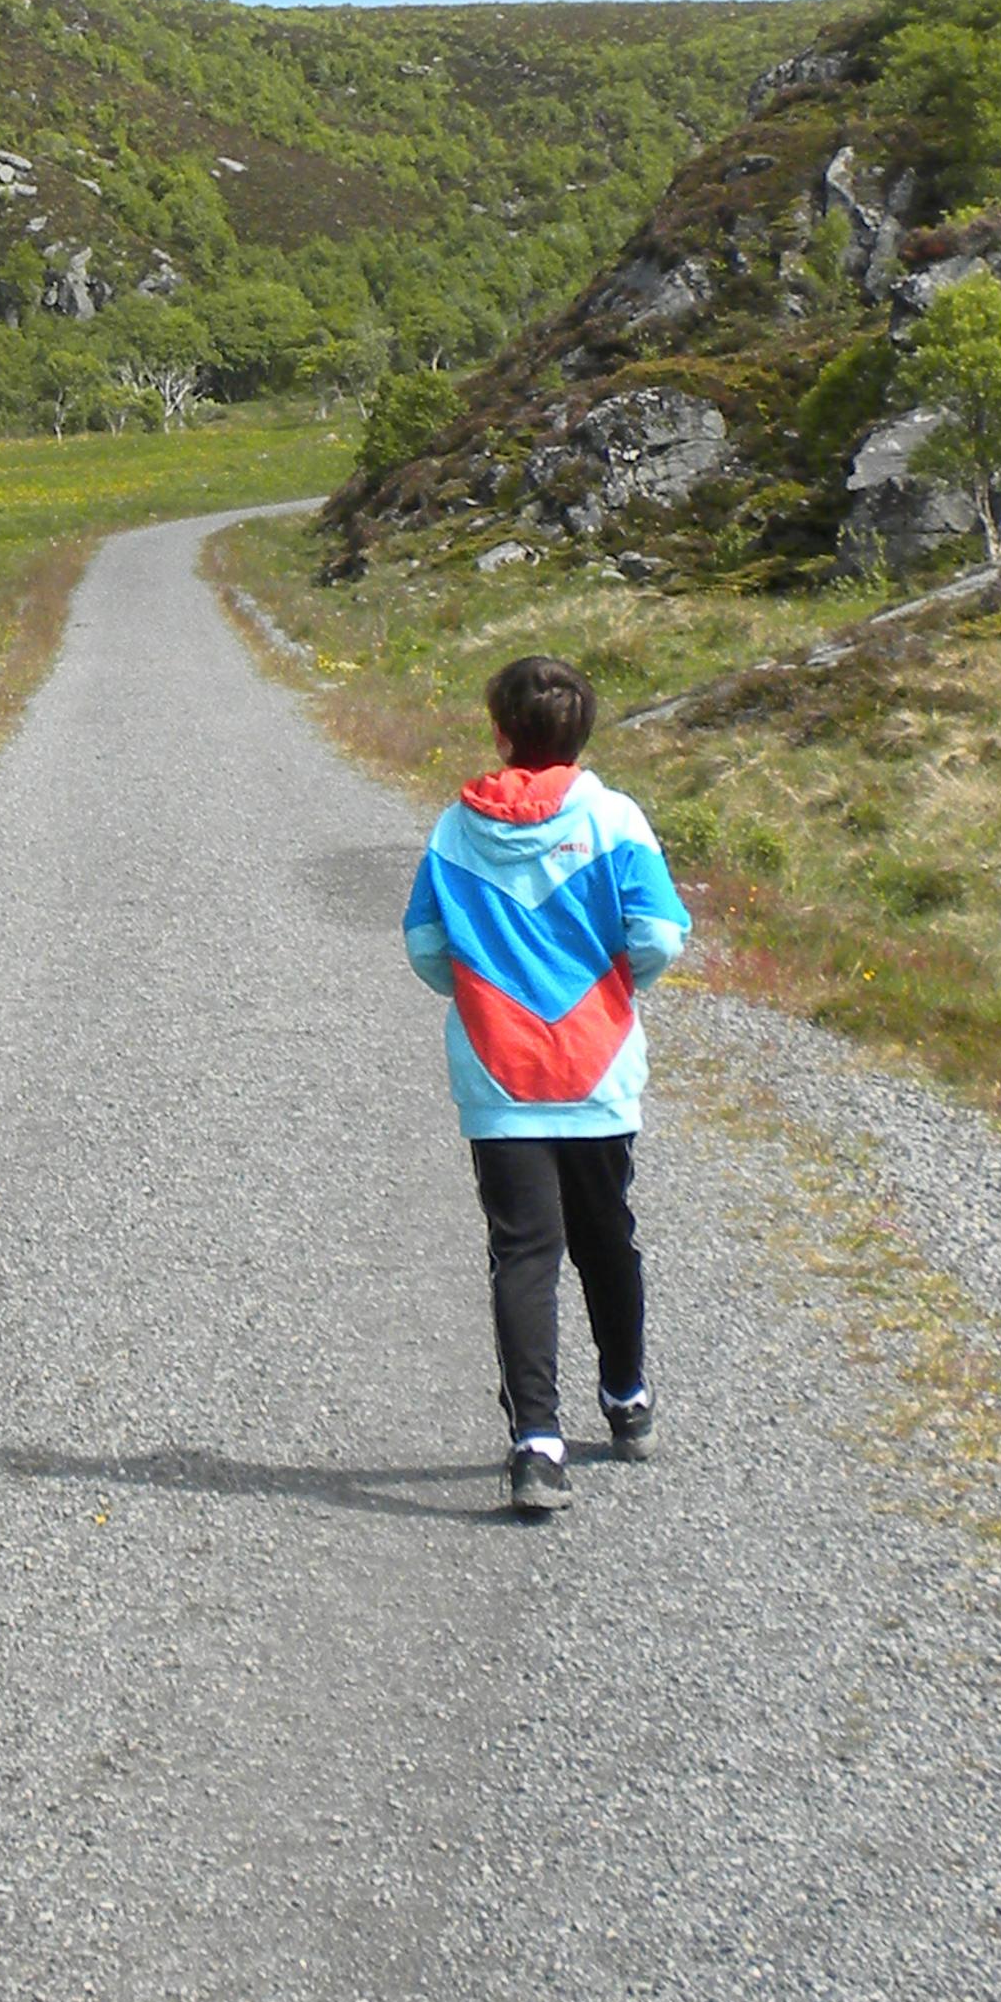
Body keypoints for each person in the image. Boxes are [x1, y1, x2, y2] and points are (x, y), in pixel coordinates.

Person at [399, 651, 692, 1519]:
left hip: (499, 1078)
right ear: (584, 732)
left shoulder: (455, 831)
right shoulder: (614, 821)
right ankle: (627, 1398)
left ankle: (536, 1443)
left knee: (523, 1255)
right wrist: (611, 985)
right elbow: (662, 937)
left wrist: (484, 996)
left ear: (499, 733)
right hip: (597, 1073)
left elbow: (423, 947)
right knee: (608, 1241)